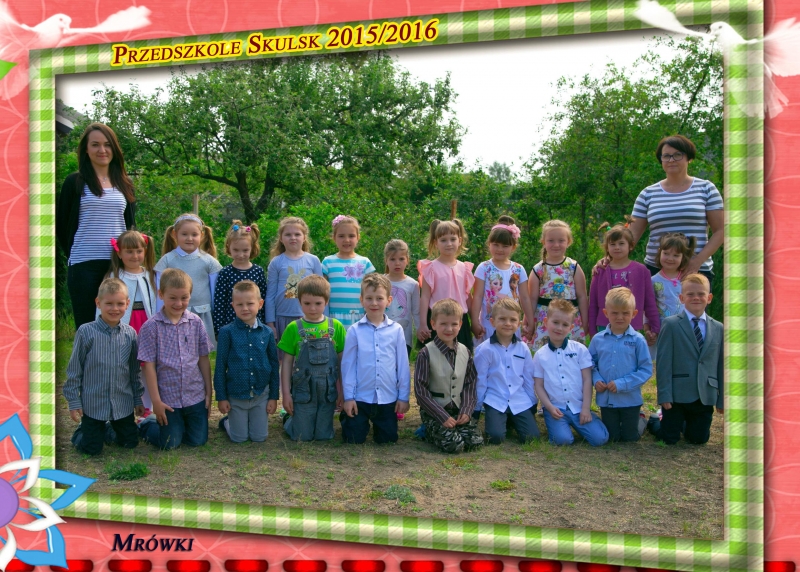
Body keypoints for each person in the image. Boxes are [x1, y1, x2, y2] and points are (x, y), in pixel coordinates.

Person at [56, 122, 136, 329]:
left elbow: (130, 226)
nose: (102, 150)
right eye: (95, 145)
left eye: (107, 144)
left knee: (118, 325)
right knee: (87, 327)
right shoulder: (74, 182)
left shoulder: (125, 183)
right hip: (84, 265)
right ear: (86, 149)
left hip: (117, 264)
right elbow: (62, 227)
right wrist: (75, 252)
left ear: (114, 148)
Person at [630, 135, 724, 285]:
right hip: (656, 272)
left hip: (696, 271)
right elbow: (631, 236)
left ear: (689, 158)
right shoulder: (647, 194)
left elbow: (721, 231)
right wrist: (610, 258)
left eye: (677, 155)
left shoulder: (706, 189)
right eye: (666, 156)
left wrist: (697, 261)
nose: (671, 160)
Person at [64, 278, 143, 455]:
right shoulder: (86, 332)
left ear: (127, 304)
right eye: (109, 304)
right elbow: (75, 369)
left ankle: (107, 430)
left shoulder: (130, 334)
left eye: (120, 304)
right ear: (98, 303)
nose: (115, 309)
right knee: (91, 450)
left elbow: (134, 370)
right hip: (94, 405)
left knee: (129, 443)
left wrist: (137, 398)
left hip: (121, 403)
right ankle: (83, 431)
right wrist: (74, 401)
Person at [137, 268, 212, 450]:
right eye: (173, 298)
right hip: (168, 398)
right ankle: (146, 424)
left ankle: (181, 424)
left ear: (190, 295)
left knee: (198, 441)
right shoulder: (151, 327)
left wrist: (209, 393)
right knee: (170, 443)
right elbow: (148, 366)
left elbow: (203, 359)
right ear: (161, 294)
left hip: (194, 395)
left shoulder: (196, 322)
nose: (179, 303)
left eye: (184, 298)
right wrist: (156, 401)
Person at [648, 274, 723, 445]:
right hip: (677, 395)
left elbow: (721, 365)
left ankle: (686, 424)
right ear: (681, 298)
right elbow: (664, 362)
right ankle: (654, 420)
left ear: (709, 298)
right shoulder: (671, 324)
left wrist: (722, 399)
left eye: (701, 294)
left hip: (704, 395)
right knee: (669, 439)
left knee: (698, 439)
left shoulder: (718, 328)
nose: (696, 297)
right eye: (690, 294)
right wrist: (664, 395)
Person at [340, 274, 410, 444]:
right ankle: (350, 420)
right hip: (361, 397)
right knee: (353, 439)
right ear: (361, 300)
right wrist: (349, 398)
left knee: (387, 440)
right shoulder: (354, 331)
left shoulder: (396, 330)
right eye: (369, 298)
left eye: (379, 298)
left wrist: (403, 397)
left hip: (387, 397)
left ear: (389, 300)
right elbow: (348, 367)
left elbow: (403, 366)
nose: (374, 303)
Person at [278, 275, 346, 441]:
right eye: (307, 303)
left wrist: (343, 392)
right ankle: (289, 419)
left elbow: (343, 362)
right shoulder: (293, 328)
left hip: (328, 391)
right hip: (303, 391)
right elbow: (286, 363)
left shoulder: (336, 327)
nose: (312, 308)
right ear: (299, 301)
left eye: (318, 303)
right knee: (302, 437)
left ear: (326, 302)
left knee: (324, 436)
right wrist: (286, 394)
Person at [533, 299, 609, 447]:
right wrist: (549, 407)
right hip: (556, 408)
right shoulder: (540, 355)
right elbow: (539, 386)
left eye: (565, 324)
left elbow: (587, 380)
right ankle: (559, 426)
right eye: (555, 322)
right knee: (563, 440)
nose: (559, 328)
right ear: (546, 322)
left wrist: (585, 408)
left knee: (600, 439)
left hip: (578, 407)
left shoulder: (580, 350)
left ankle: (586, 422)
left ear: (571, 328)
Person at [414, 298, 483, 453]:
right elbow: (421, 391)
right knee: (454, 445)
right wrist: (441, 416)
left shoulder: (465, 352)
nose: (449, 329)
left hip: (458, 409)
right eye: (443, 324)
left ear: (460, 324)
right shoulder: (425, 353)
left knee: (474, 442)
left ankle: (454, 429)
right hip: (435, 411)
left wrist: (466, 410)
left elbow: (470, 384)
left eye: (454, 324)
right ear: (433, 324)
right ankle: (428, 430)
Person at [214, 280, 280, 443]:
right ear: (233, 306)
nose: (245, 308)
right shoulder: (226, 332)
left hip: (260, 394)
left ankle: (250, 420)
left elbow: (274, 365)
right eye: (239, 304)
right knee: (239, 438)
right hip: (236, 394)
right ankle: (227, 422)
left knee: (259, 437)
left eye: (250, 303)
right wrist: (222, 397)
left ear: (260, 304)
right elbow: (220, 366)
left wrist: (273, 397)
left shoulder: (267, 333)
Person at [588, 288, 652, 442]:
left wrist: (622, 384)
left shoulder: (638, 340)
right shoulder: (597, 340)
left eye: (625, 313)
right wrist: (596, 380)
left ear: (634, 314)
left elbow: (646, 369)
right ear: (606, 313)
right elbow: (590, 365)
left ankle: (642, 420)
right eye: (615, 313)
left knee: (630, 438)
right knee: (613, 438)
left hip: (630, 399)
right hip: (607, 399)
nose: (620, 317)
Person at [104, 229, 158, 410]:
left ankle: (148, 407)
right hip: (125, 324)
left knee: (148, 366)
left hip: (146, 324)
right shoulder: (114, 276)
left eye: (138, 251)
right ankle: (124, 407)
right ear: (119, 253)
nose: (135, 256)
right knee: (124, 366)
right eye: (129, 251)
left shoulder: (151, 275)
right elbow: (104, 304)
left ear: (145, 252)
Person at [474, 298, 540, 445]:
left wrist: (532, 404)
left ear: (519, 324)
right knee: (495, 437)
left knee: (532, 438)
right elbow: (480, 381)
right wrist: (476, 409)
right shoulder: (484, 350)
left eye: (513, 320)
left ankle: (511, 419)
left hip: (519, 399)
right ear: (492, 322)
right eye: (502, 319)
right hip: (495, 399)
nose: (508, 323)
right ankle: (502, 420)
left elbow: (528, 378)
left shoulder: (523, 348)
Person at [155, 213, 223, 350]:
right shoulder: (167, 260)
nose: (189, 238)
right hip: (174, 313)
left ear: (201, 235)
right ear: (175, 234)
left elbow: (216, 293)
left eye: (194, 234)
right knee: (177, 349)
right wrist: (160, 316)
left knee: (201, 351)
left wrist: (216, 318)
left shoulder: (209, 261)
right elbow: (159, 292)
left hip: (201, 314)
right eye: (184, 234)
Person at [588, 220, 660, 339]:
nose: (617, 247)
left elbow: (650, 302)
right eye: (612, 244)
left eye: (621, 243)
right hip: (604, 327)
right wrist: (592, 331)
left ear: (630, 245)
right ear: (607, 247)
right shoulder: (600, 271)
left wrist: (655, 328)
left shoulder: (641, 271)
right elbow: (593, 304)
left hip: (632, 326)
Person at [265, 216, 323, 360]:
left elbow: (321, 292)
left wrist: (323, 319)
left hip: (308, 318)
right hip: (282, 318)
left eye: (297, 234)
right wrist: (270, 323)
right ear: (281, 238)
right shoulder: (276, 262)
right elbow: (270, 295)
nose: (293, 238)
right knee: (285, 358)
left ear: (304, 237)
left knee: (307, 358)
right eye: (288, 234)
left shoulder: (313, 260)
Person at [471, 216, 535, 343]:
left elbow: (524, 298)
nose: (500, 249)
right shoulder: (484, 268)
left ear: (513, 247)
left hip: (511, 325)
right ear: (489, 244)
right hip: (489, 325)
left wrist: (530, 321)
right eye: (496, 245)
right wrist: (474, 322)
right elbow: (477, 297)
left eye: (505, 246)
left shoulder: (518, 269)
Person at [526, 220, 588, 352]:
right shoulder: (538, 269)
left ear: (568, 242)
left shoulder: (573, 267)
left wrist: (586, 321)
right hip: (545, 319)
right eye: (551, 241)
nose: (556, 245)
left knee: (570, 353)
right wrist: (529, 321)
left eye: (561, 241)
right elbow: (532, 299)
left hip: (569, 319)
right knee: (546, 354)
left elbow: (582, 296)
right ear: (543, 242)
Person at [417, 219, 475, 352]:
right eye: (443, 240)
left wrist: (475, 322)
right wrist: (423, 324)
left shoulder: (464, 268)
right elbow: (425, 297)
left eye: (453, 239)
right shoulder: (430, 268)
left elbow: (468, 297)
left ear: (459, 241)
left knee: (460, 357)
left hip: (459, 322)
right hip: (437, 320)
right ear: (435, 242)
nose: (449, 244)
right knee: (436, 358)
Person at [212, 221, 267, 337]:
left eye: (245, 250)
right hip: (231, 326)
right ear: (229, 247)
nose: (240, 254)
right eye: (236, 250)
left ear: (252, 248)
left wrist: (264, 324)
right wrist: (219, 329)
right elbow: (219, 303)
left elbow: (263, 299)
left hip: (255, 325)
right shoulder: (225, 273)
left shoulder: (258, 271)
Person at [647, 232, 697, 361]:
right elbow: (648, 308)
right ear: (660, 253)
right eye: (666, 253)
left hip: (684, 330)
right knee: (663, 362)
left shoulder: (688, 280)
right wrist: (648, 329)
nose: (670, 258)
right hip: (662, 331)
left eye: (676, 255)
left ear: (683, 257)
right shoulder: (653, 281)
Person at [321, 215, 376, 330]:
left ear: (358, 237)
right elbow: (322, 292)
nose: (346, 240)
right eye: (341, 236)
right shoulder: (327, 262)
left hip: (359, 316)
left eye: (351, 236)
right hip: (334, 317)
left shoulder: (365, 263)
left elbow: (372, 290)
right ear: (334, 238)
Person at [384, 239, 420, 358]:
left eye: (401, 259)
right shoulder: (380, 282)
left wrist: (420, 329)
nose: (397, 263)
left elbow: (416, 311)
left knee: (402, 367)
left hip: (404, 338)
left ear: (407, 260)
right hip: (382, 336)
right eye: (392, 259)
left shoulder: (413, 284)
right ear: (386, 260)